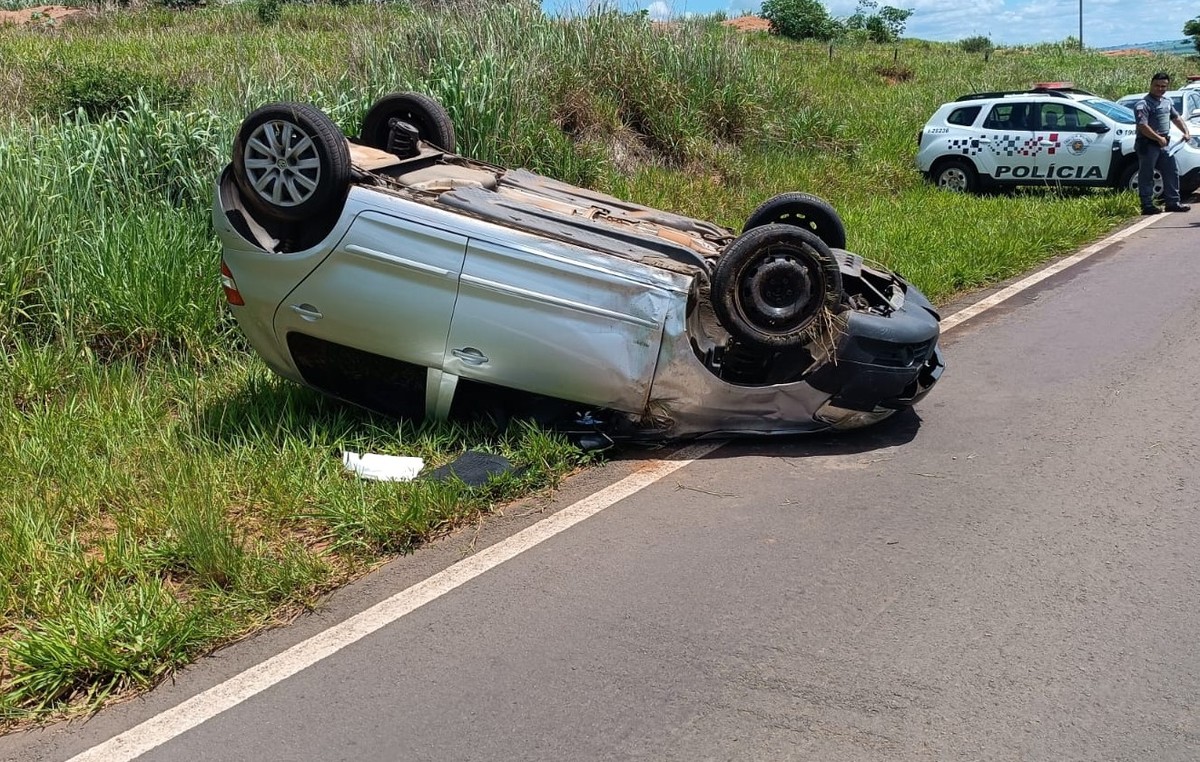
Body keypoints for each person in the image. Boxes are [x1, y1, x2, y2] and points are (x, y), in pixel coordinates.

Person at [1134, 71, 1193, 215]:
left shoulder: (1166, 102)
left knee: (1171, 171)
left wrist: (1185, 132)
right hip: (1148, 144)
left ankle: (1173, 202)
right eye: (1157, 86)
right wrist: (1157, 138)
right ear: (1151, 84)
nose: (1160, 89)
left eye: (1163, 86)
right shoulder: (1143, 104)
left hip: (1164, 144)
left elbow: (1176, 117)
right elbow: (1143, 126)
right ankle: (1147, 205)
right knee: (1147, 175)